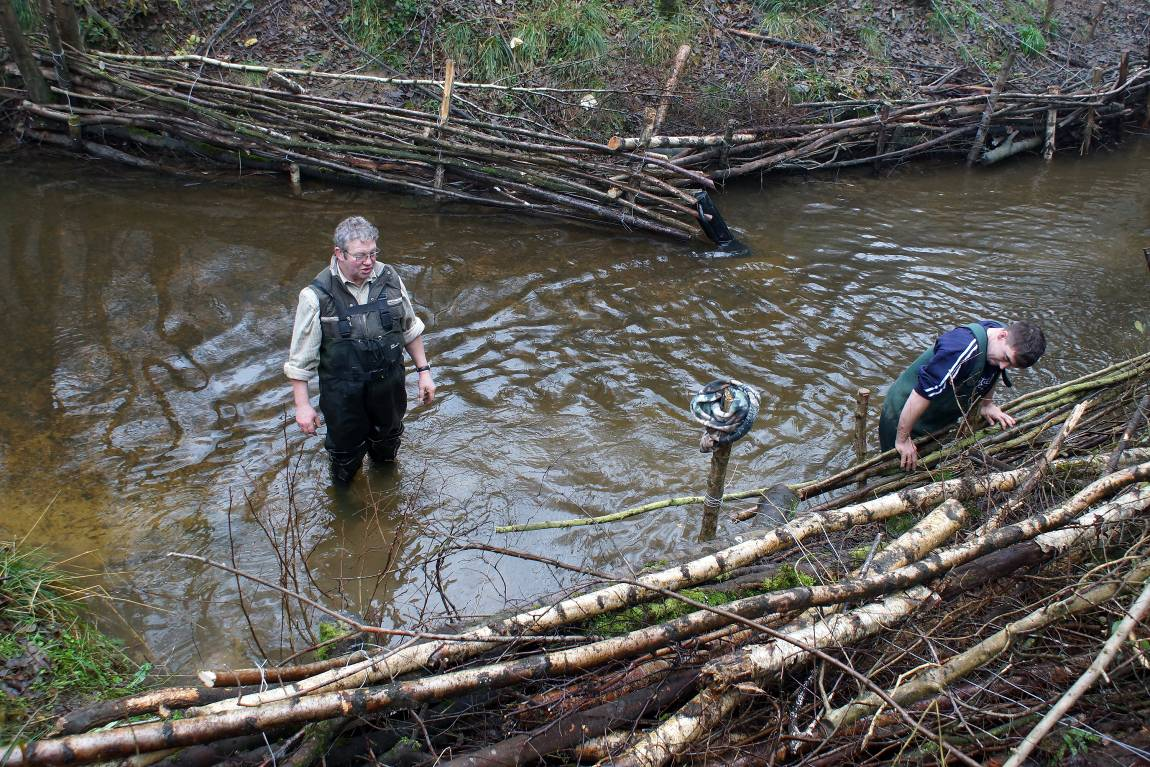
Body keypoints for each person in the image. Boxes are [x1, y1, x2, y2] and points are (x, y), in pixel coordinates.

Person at [285, 215, 435, 484]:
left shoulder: (390, 279)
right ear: (339, 253)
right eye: (360, 256)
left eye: (373, 253)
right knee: (345, 460)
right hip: (343, 394)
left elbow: (409, 328)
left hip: (388, 386)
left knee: (387, 449)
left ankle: (387, 499)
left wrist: (424, 371)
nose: (369, 262)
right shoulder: (315, 296)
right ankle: (346, 510)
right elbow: (301, 360)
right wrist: (303, 405)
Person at [879, 320, 1046, 471]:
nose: (1003, 366)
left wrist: (987, 404)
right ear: (1002, 335)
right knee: (898, 469)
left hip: (935, 419)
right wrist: (902, 439)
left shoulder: (1002, 343)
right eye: (1005, 358)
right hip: (903, 414)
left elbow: (993, 373)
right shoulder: (960, 349)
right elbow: (921, 393)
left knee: (924, 467)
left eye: (1010, 365)